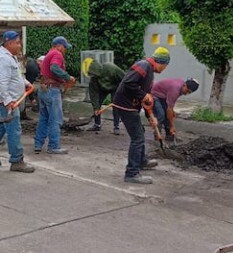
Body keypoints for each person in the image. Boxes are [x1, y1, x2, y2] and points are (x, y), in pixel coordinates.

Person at [0, 30, 35, 173]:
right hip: (7, 103)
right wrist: (8, 101)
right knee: (14, 130)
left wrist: (26, 83)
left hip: (7, 101)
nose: (19, 46)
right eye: (17, 43)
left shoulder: (9, 57)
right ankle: (16, 161)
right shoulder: (3, 59)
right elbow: (2, 83)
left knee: (1, 128)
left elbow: (15, 76)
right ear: (9, 43)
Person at [113, 47, 170, 185]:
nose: (164, 69)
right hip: (125, 105)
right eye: (165, 66)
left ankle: (141, 161)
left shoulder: (149, 72)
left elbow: (145, 100)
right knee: (137, 138)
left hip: (131, 106)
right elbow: (128, 83)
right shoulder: (144, 65)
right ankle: (132, 173)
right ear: (162, 62)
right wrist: (144, 95)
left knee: (140, 132)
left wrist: (150, 116)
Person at [34, 36, 76, 155]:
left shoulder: (49, 54)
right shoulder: (57, 54)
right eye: (64, 47)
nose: (65, 50)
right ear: (59, 46)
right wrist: (68, 77)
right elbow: (54, 67)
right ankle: (53, 146)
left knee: (44, 118)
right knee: (55, 119)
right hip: (52, 90)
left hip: (43, 89)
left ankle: (38, 144)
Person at [150, 77, 200, 146]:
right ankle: (157, 136)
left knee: (169, 115)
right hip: (155, 95)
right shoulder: (175, 90)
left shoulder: (181, 88)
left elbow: (170, 107)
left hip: (164, 96)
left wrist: (172, 112)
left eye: (189, 92)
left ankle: (169, 136)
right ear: (184, 85)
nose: (186, 93)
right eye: (187, 91)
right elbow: (169, 109)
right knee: (161, 115)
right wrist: (172, 126)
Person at [83, 59, 124, 135]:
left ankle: (116, 126)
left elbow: (124, 79)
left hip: (116, 87)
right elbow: (93, 95)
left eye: (93, 74)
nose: (92, 76)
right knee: (97, 104)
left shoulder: (111, 68)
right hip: (103, 88)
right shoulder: (93, 80)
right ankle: (97, 125)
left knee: (115, 104)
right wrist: (96, 108)